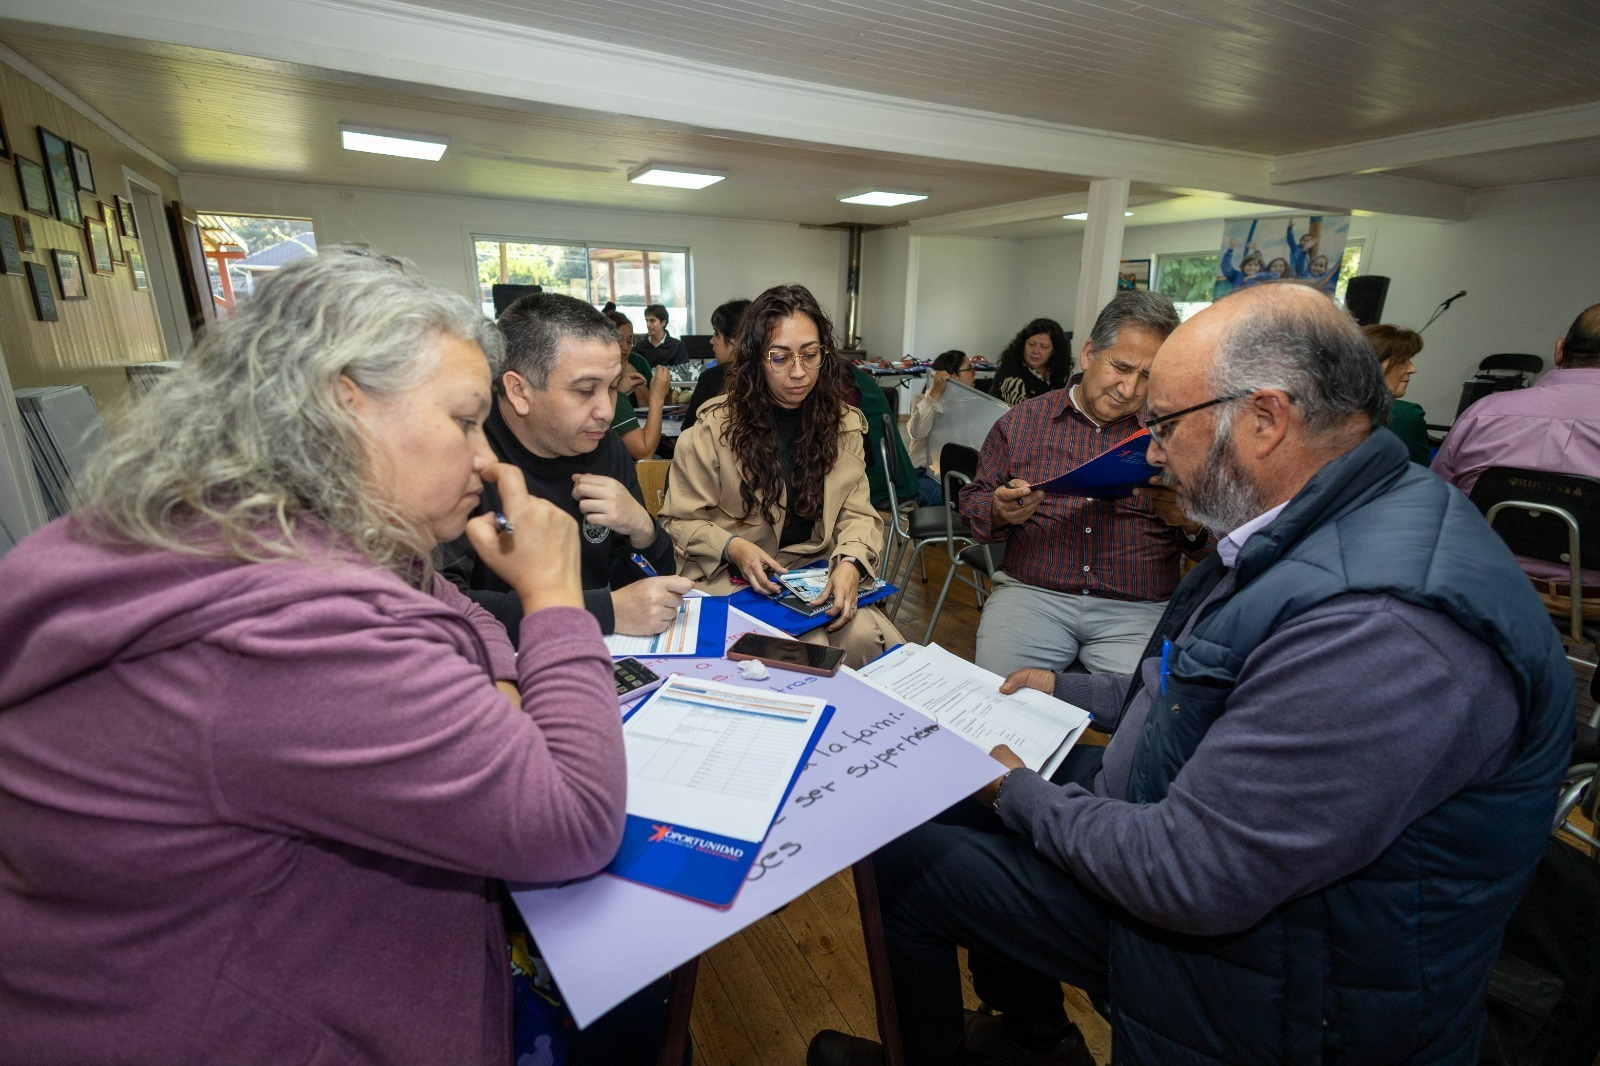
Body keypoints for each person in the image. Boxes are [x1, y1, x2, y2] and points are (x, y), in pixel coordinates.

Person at [807, 281, 1575, 1066]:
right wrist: (1069, 689)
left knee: (907, 862)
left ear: (1266, 419)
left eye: (1166, 424)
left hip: (1269, 975)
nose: (1148, 451)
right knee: (935, 796)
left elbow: (1190, 876)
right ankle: (1032, 1035)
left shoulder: (1382, 626)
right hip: (1186, 825)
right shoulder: (1325, 523)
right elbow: (1211, 687)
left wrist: (1017, 792)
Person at [0, 251, 629, 1064]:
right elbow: (574, 821)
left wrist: (498, 689)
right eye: (464, 421)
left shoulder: (230, 527)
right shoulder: (289, 630)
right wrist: (553, 596)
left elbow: (446, 600)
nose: (485, 459)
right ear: (344, 405)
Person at [960, 291, 1206, 678]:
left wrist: (1190, 520)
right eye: (1121, 368)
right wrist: (998, 509)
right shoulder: (1021, 422)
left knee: (1145, 706)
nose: (1129, 389)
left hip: (1138, 608)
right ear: (1090, 354)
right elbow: (973, 505)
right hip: (1032, 596)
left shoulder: (1175, 432)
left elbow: (1220, 543)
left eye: (1147, 376)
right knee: (997, 697)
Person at [659, 283, 902, 667]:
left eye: (810, 355)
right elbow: (678, 521)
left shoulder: (843, 426)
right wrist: (733, 547)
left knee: (862, 637)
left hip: (811, 572)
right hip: (730, 579)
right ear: (754, 358)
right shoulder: (710, 431)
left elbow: (857, 514)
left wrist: (851, 562)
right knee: (810, 648)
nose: (799, 372)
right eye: (780, 358)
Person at [441, 292, 692, 644]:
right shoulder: (460, 459)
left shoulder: (604, 447)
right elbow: (443, 607)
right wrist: (603, 612)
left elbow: (651, 590)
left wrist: (643, 530)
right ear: (519, 392)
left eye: (612, 387)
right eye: (586, 390)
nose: (606, 411)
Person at [1432, 301, 1600, 602]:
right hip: (1589, 603)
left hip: (1475, 591)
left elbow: (1433, 502)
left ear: (1560, 350)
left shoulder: (1481, 414)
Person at [907, 349, 977, 504]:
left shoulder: (966, 404)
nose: (974, 374)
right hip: (923, 473)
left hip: (955, 475)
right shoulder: (922, 400)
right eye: (969, 369)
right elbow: (917, 432)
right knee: (950, 501)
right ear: (953, 377)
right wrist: (935, 395)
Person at [681, 297, 751, 434]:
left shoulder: (712, 379)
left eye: (716, 334)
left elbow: (688, 433)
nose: (711, 341)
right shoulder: (769, 375)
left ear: (735, 339)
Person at [1364, 323, 1431, 464]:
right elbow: (1419, 473)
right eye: (1402, 361)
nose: (1412, 369)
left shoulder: (1322, 407)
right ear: (1371, 365)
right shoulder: (1404, 415)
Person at [612, 332, 672, 460]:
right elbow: (644, 453)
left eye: (629, 341)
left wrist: (621, 392)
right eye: (618, 340)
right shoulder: (612, 397)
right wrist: (657, 397)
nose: (625, 347)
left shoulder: (638, 361)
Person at [990, 317, 1072, 406]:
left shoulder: (1056, 372)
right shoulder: (1011, 372)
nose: (1036, 351)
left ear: (1054, 351)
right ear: (1023, 344)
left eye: (1044, 347)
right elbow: (1022, 412)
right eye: (1031, 344)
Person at [635, 302, 689, 366]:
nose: (648, 325)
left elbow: (683, 370)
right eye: (647, 321)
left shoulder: (677, 347)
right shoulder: (639, 346)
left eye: (652, 321)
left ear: (663, 322)